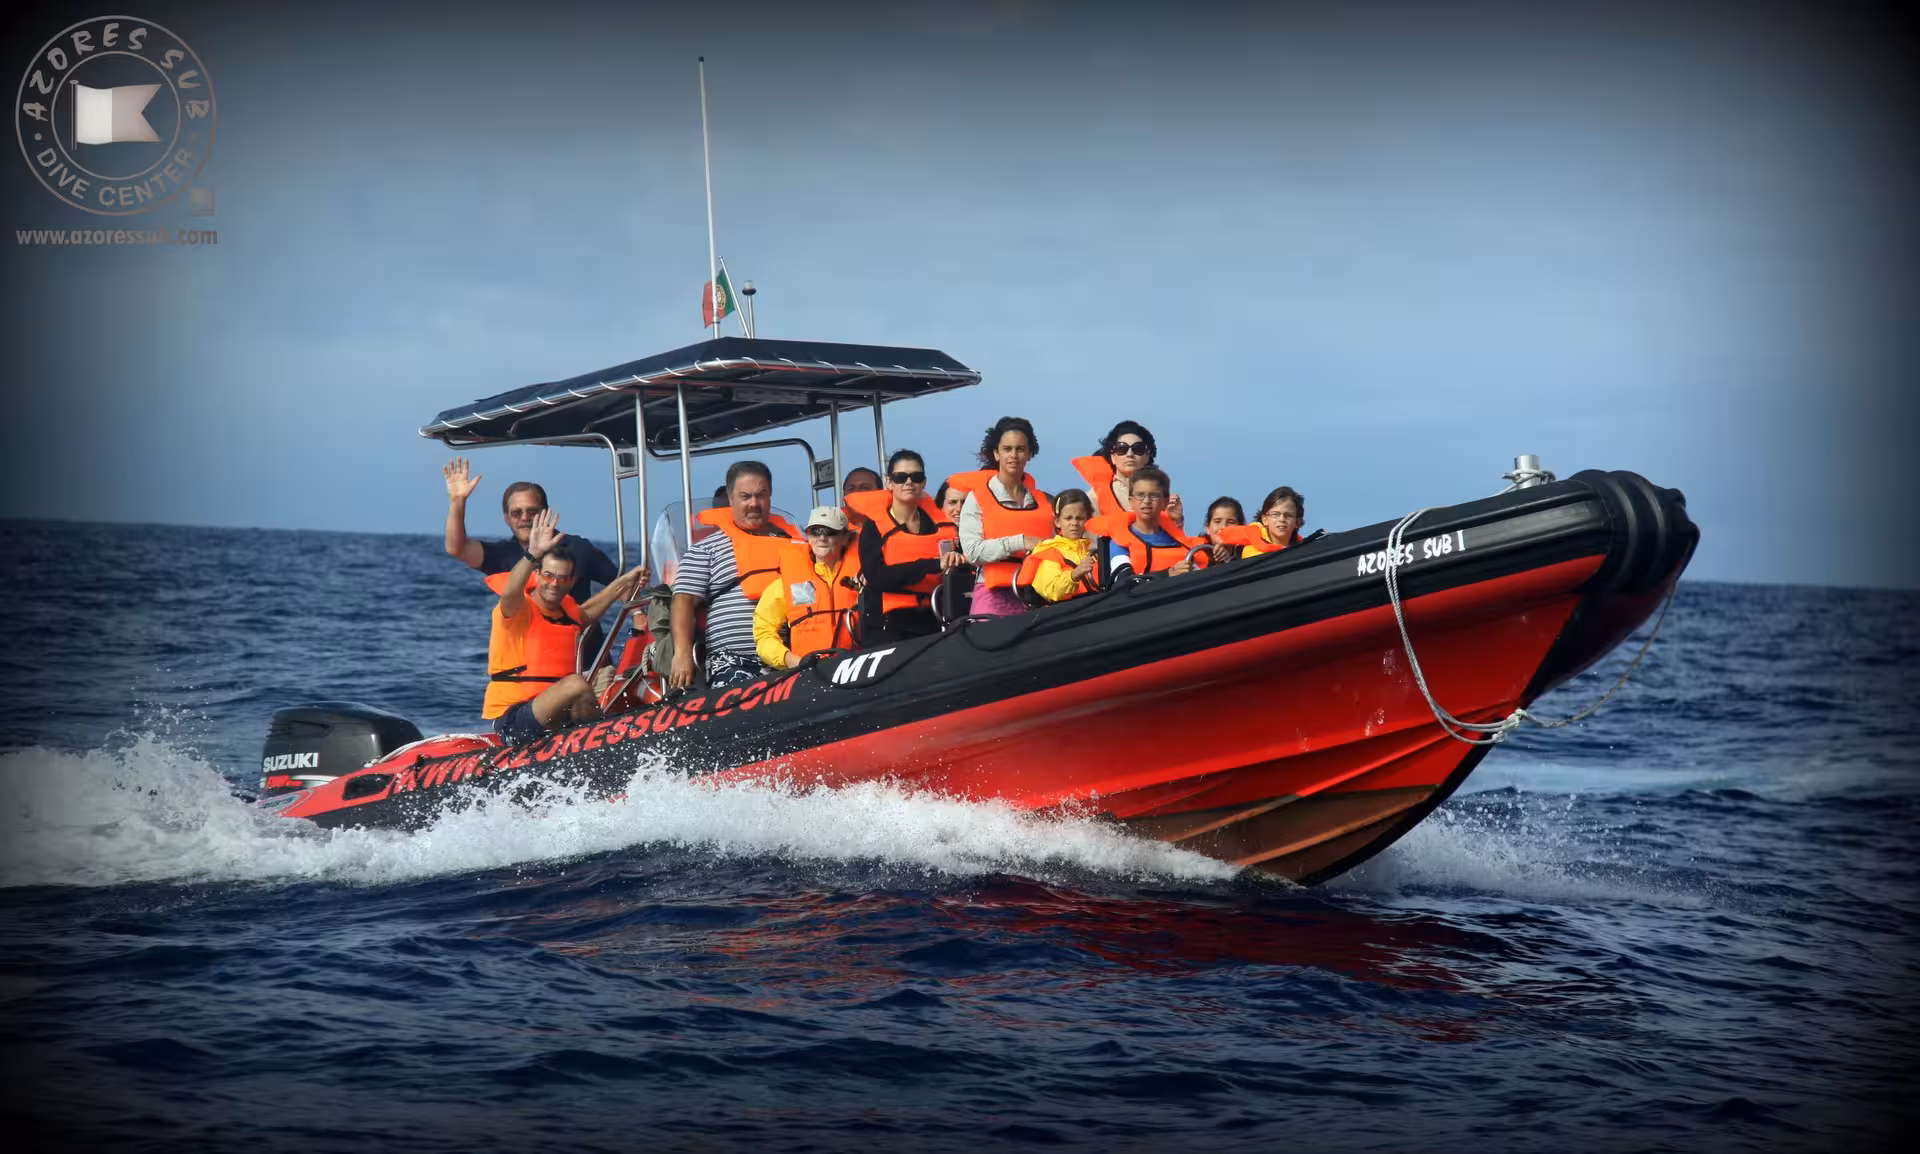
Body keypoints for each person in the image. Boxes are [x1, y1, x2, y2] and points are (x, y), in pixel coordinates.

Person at [484, 510, 648, 745]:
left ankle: (605, 736)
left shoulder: (567, 611)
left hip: (558, 709)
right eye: (549, 576)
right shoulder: (517, 608)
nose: (554, 583)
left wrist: (626, 580)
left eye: (562, 578)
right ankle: (597, 742)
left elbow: (589, 612)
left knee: (610, 676)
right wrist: (532, 554)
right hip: (515, 717)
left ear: (571, 581)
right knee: (576, 683)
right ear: (538, 574)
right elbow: (510, 590)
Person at [670, 460, 806, 689]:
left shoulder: (797, 545)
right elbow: (682, 600)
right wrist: (681, 654)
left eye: (761, 495)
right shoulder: (706, 549)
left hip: (791, 658)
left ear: (770, 495)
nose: (754, 503)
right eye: (745, 496)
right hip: (732, 662)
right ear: (731, 499)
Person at [443, 459, 618, 606]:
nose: (525, 518)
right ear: (507, 518)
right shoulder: (501, 554)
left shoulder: (578, 548)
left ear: (546, 512)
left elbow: (626, 589)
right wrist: (458, 501)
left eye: (532, 512)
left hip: (580, 645)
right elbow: (456, 548)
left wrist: (638, 619)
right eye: (516, 513)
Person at [849, 449, 964, 641]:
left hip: (935, 617)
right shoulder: (874, 526)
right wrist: (933, 565)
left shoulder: (941, 524)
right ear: (889, 483)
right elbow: (877, 577)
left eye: (916, 477)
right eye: (901, 477)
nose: (909, 482)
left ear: (924, 483)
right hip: (888, 624)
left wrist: (956, 560)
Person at [950, 416, 1053, 618]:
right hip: (993, 598)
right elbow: (972, 551)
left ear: (1030, 454)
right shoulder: (977, 498)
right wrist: (1021, 541)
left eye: (1020, 449)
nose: (1013, 455)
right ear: (996, 453)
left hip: (1038, 596)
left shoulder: (1043, 501)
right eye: (1007, 449)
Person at [754, 507, 864, 669]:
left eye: (830, 531)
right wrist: (792, 661)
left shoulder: (866, 575)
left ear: (845, 538)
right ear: (808, 536)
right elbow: (763, 632)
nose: (822, 538)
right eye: (815, 531)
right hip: (809, 672)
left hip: (856, 667)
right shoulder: (785, 584)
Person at [1070, 421, 1186, 540]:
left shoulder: (1162, 496)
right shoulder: (1094, 498)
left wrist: (1176, 520)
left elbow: (1173, 543)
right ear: (1113, 457)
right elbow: (1090, 544)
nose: (1129, 454)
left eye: (1138, 449)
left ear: (1147, 455)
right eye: (1122, 449)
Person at [1108, 466, 1208, 580]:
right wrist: (1168, 574)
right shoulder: (1119, 542)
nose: (1146, 501)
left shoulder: (1177, 540)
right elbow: (1122, 581)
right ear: (1131, 501)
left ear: (1165, 502)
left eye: (1154, 496)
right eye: (1140, 495)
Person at [1016, 489, 1100, 604]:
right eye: (1068, 518)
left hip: (1099, 608)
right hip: (1067, 614)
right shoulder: (1049, 552)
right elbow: (1052, 590)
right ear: (1057, 521)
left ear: (1087, 520)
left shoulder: (1095, 552)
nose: (1074, 523)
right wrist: (1074, 574)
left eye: (1079, 518)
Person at [1220, 486, 1306, 558]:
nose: (1281, 519)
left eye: (1288, 515)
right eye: (1275, 514)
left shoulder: (1306, 551)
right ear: (1265, 519)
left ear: (1298, 522)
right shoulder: (1249, 552)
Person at [1203, 496, 1246, 565]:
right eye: (1217, 521)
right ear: (1207, 528)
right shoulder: (1196, 555)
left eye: (1231, 522)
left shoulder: (1248, 557)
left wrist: (1228, 561)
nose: (1223, 527)